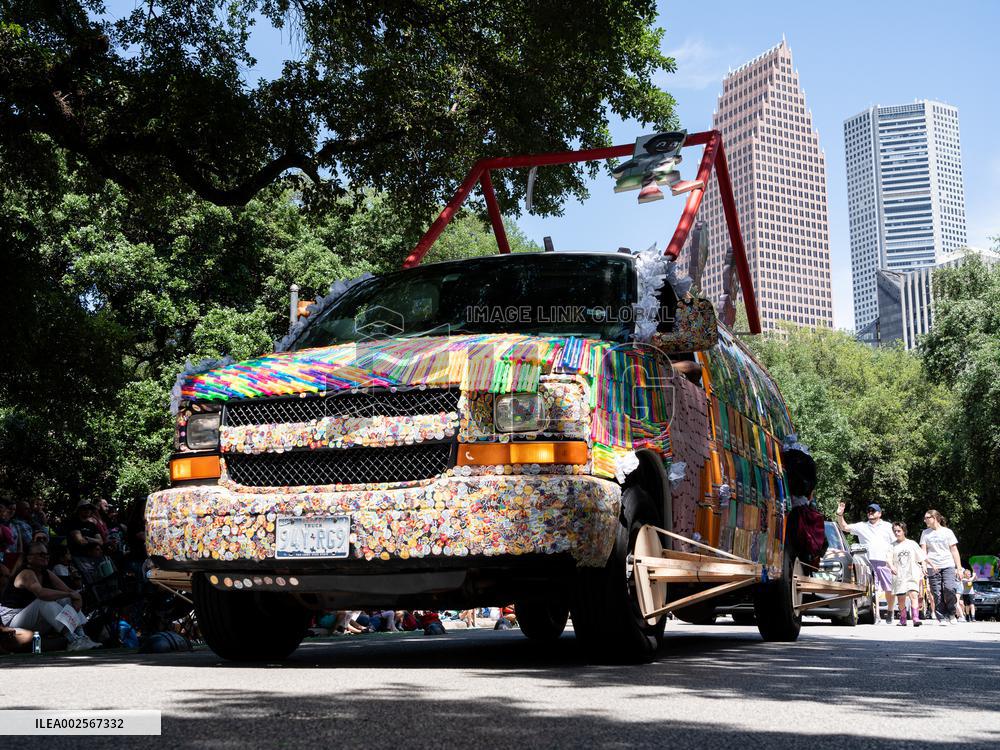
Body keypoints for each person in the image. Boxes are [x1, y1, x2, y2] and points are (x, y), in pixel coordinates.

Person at [0, 542, 100, 650]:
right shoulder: (26, 573)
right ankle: (72, 640)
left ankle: (82, 636)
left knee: (66, 599)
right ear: (29, 557)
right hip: (11, 622)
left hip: (34, 619)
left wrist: (75, 597)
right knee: (43, 601)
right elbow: (41, 593)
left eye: (47, 554)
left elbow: (68, 591)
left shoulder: (46, 573)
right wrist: (70, 594)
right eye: (41, 554)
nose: (46, 556)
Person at [835, 501, 896, 623]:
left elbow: (895, 543)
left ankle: (890, 611)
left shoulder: (888, 526)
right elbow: (844, 527)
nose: (870, 513)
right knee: (874, 590)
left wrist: (894, 561)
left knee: (889, 589)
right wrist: (840, 515)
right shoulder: (862, 526)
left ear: (880, 513)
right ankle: (877, 615)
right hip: (867, 562)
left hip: (884, 561)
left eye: (873, 511)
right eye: (868, 511)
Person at [920, 510, 964, 625]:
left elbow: (954, 550)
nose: (925, 520)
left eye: (927, 518)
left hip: (948, 564)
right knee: (936, 592)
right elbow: (923, 551)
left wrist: (959, 568)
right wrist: (924, 565)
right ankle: (942, 617)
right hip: (932, 566)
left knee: (949, 588)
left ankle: (951, 612)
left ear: (934, 518)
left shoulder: (947, 532)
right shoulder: (925, 533)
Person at [887, 522, 924, 627]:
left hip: (911, 574)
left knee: (913, 595)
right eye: (895, 531)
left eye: (899, 531)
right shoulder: (892, 545)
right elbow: (888, 559)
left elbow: (922, 557)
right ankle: (903, 619)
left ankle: (915, 618)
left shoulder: (912, 543)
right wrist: (891, 566)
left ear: (904, 531)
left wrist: (926, 566)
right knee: (901, 599)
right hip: (899, 576)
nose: (896, 533)